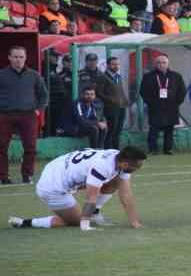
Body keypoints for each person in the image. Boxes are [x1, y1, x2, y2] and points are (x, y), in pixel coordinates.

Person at [8, 146, 146, 230]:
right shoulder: (103, 166)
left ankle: (95, 212)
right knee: (76, 221)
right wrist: (85, 224)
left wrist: (134, 221)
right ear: (126, 164)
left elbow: (126, 193)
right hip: (52, 186)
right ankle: (25, 222)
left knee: (117, 181)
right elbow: (91, 196)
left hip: (58, 168)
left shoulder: (118, 158)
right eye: (137, 167)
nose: (138, 169)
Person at [0, 46, 49, 185]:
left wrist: (38, 110)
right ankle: (3, 177)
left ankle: (27, 176)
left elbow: (44, 95)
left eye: (21, 57)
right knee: (1, 146)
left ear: (25, 58)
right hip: (5, 115)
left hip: (28, 115)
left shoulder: (34, 75)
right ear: (9, 57)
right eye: (15, 57)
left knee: (30, 146)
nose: (18, 60)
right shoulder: (1, 75)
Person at [139, 55, 187, 155]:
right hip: (155, 107)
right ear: (155, 64)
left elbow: (182, 91)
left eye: (164, 62)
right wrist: (151, 103)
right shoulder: (149, 76)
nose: (161, 65)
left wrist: (177, 102)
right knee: (154, 129)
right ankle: (153, 149)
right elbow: (143, 91)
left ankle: (168, 149)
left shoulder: (176, 76)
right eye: (159, 63)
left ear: (168, 64)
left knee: (169, 129)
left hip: (171, 107)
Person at [95, 57, 128, 149]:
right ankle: (108, 149)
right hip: (110, 107)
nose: (116, 66)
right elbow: (99, 93)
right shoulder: (102, 77)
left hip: (121, 107)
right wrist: (111, 100)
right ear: (108, 65)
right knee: (111, 130)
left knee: (118, 130)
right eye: (113, 64)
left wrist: (125, 100)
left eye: (117, 64)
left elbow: (120, 91)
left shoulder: (118, 76)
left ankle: (116, 150)